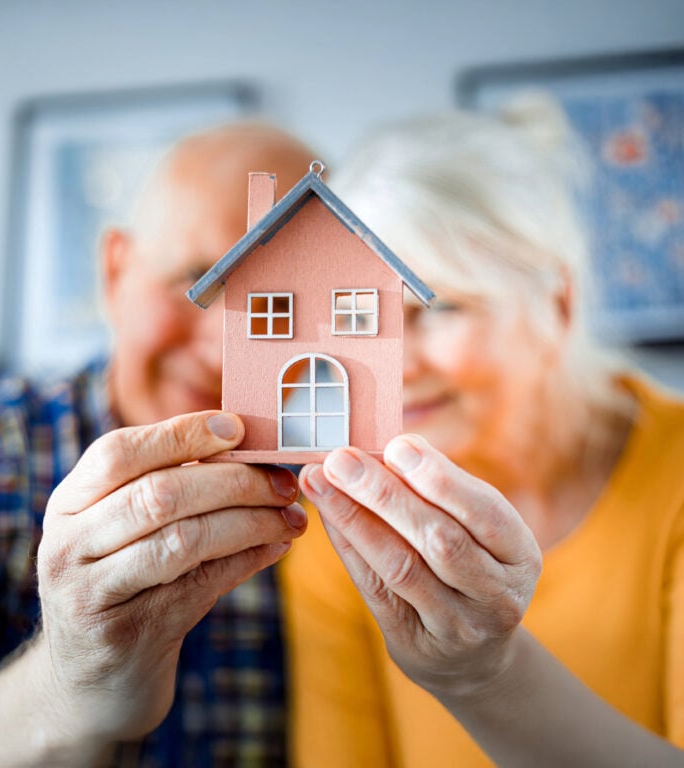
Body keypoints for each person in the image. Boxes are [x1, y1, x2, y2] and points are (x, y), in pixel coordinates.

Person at [279, 95, 684, 766]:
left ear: (557, 304)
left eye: (439, 310)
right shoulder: (339, 520)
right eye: (359, 317)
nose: (392, 363)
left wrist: (481, 674)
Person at [0, 121, 317, 766]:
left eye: (279, 306)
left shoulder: (336, 480)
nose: (223, 349)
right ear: (114, 269)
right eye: (196, 278)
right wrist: (66, 690)